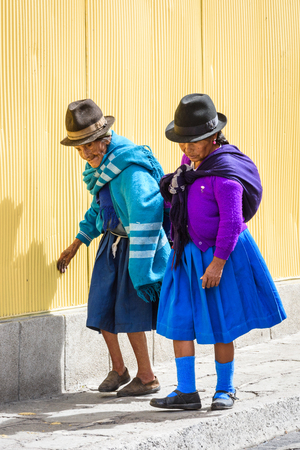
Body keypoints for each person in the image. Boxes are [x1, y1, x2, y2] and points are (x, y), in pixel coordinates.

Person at [150, 93, 287, 411]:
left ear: (212, 137)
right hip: (186, 254)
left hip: (219, 256)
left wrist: (217, 264)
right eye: (181, 142)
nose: (185, 148)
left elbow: (231, 221)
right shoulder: (191, 163)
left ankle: (224, 389)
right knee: (179, 319)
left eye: (192, 142)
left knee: (222, 323)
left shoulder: (226, 173)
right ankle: (186, 392)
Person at [57, 99, 170, 397]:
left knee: (130, 313)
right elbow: (99, 208)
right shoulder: (105, 167)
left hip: (135, 247)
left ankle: (147, 377)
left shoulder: (129, 169)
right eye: (79, 148)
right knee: (101, 307)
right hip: (112, 244)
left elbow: (149, 212)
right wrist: (76, 244)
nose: (84, 154)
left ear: (105, 140)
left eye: (89, 146)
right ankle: (119, 369)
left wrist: (141, 266)